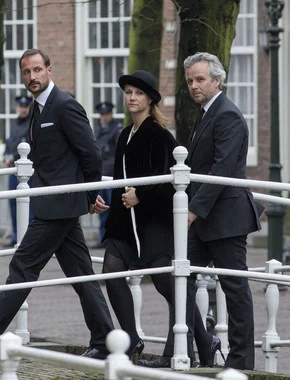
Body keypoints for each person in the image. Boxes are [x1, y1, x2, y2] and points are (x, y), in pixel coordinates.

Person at [0, 48, 114, 360]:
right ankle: (106, 340)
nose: (32, 77)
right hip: (53, 202)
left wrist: (89, 196)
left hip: (58, 205)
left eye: (37, 70)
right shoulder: (38, 108)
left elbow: (91, 153)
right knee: (82, 275)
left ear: (49, 69)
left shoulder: (64, 105)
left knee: (23, 266)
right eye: (26, 72)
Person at [97, 70, 185, 361]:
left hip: (153, 224)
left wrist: (141, 196)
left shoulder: (159, 136)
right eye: (128, 93)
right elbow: (120, 181)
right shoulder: (124, 134)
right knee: (110, 270)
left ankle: (197, 342)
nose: (132, 97)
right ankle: (132, 339)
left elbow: (170, 182)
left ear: (150, 99)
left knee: (167, 285)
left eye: (138, 93)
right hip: (125, 225)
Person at [182, 52, 263, 370]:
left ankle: (243, 360)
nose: (194, 86)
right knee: (177, 278)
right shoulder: (204, 114)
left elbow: (222, 170)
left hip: (226, 218)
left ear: (217, 80)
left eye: (200, 79)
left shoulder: (227, 114)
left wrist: (192, 211)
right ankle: (200, 344)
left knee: (235, 287)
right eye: (190, 81)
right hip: (204, 218)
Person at [3, 93, 34, 247]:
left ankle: (27, 237)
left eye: (26, 106)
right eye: (21, 107)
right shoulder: (14, 125)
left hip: (26, 172)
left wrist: (12, 157)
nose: (23, 109)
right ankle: (16, 235)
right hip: (13, 170)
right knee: (13, 204)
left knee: (27, 204)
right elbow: (9, 143)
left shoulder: (31, 124)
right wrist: (5, 156)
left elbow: (28, 144)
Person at [93, 102, 122, 247]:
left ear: (111, 114)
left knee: (112, 209)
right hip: (101, 176)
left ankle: (112, 238)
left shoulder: (117, 129)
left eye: (106, 114)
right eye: (102, 115)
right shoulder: (98, 131)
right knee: (101, 209)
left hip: (111, 175)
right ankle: (102, 238)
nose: (104, 117)